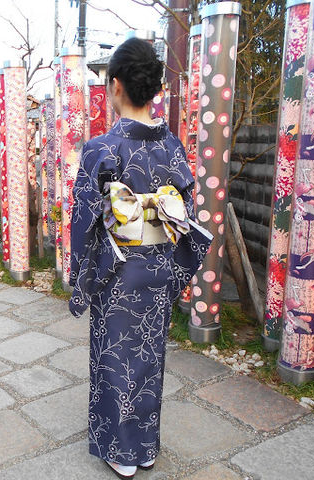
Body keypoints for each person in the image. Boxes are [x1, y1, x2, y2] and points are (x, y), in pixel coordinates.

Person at [68, 37, 212, 479]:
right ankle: (145, 446)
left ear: (115, 86)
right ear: (152, 90)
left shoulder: (100, 149)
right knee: (148, 353)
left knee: (115, 356)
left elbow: (83, 223)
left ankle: (122, 450)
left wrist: (80, 276)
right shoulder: (171, 148)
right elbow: (186, 212)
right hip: (159, 265)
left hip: (117, 268)